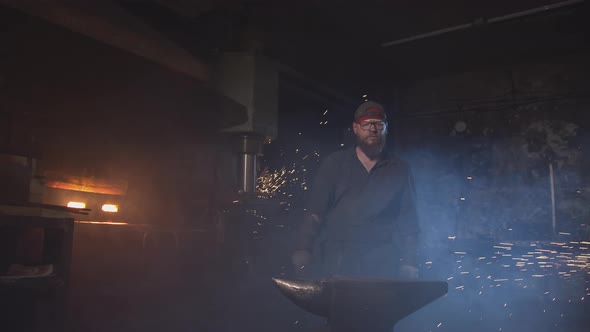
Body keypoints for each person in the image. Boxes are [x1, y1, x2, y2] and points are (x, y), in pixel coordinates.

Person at [292, 101, 420, 279]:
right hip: (338, 259)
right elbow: (315, 212)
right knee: (340, 305)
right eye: (366, 124)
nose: (373, 129)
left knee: (378, 306)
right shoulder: (335, 164)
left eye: (378, 123)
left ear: (386, 128)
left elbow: (409, 220)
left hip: (381, 260)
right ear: (355, 128)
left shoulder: (400, 169)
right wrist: (303, 248)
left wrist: (410, 262)